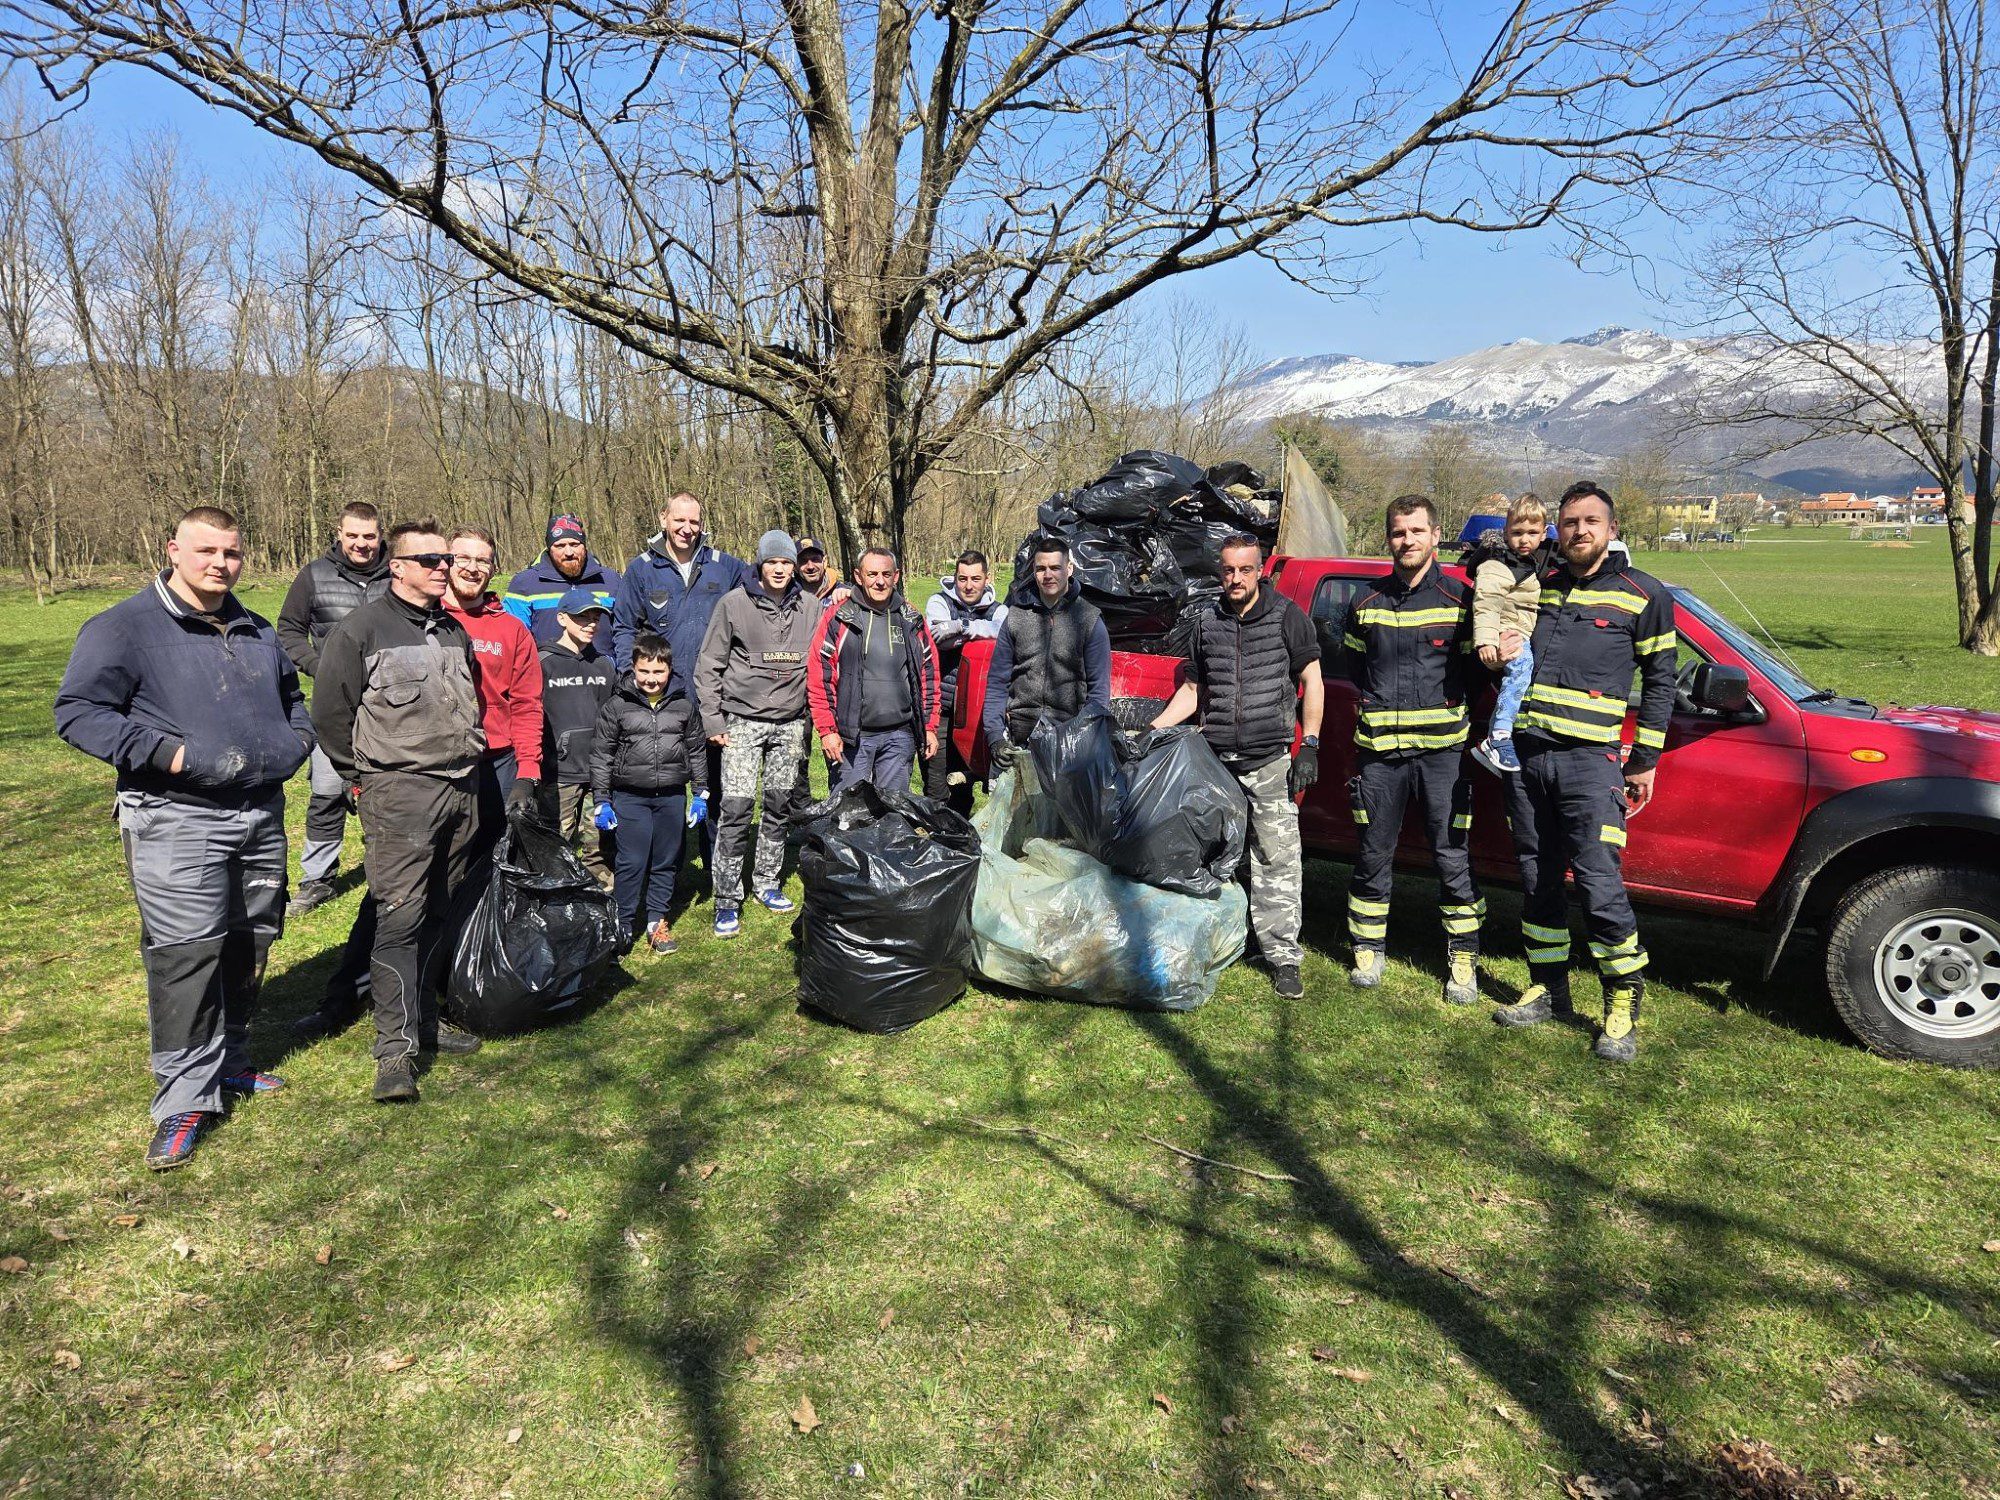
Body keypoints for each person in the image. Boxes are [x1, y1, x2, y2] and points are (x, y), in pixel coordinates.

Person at [55, 506, 314, 1170]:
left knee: (251, 940)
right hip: (176, 818)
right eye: (206, 551)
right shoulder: (124, 628)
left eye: (232, 552)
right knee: (186, 955)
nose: (221, 564)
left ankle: (230, 1062)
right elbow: (78, 712)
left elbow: (292, 701)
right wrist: (169, 755)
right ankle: (183, 1099)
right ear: (173, 550)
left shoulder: (255, 628)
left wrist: (296, 743)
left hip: (259, 813)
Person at [1492, 481, 1677, 1062]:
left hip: (1590, 764)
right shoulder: (1541, 585)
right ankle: (1548, 987)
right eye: (1570, 522)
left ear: (1611, 529)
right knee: (1536, 878)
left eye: (1590, 521)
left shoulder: (1643, 594)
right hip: (1528, 759)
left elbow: (1661, 682)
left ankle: (1621, 1001)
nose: (1579, 531)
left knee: (1598, 883)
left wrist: (1644, 760)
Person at [312, 517, 487, 1104]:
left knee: (439, 909)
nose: (445, 568)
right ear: (399, 567)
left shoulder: (453, 629)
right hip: (399, 794)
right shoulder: (360, 631)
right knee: (400, 917)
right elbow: (330, 714)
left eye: (446, 559)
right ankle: (395, 1052)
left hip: (461, 789)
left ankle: (426, 1021)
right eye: (432, 560)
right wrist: (361, 779)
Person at [1151, 534, 1323, 999]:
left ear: (1260, 571)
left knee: (1276, 860)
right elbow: (1193, 691)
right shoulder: (1207, 623)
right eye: (1228, 570)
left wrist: (1309, 743)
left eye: (1245, 570)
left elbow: (1312, 680)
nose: (1236, 578)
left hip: (1269, 763)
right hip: (1216, 765)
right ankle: (1214, 941)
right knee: (1207, 857)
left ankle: (1282, 957)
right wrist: (1153, 729)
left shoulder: (1288, 616)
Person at [1338, 495, 1485, 1005]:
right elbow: (1356, 668)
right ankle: (1367, 947)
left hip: (1443, 756)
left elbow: (1476, 675)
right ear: (1389, 538)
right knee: (1373, 854)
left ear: (1436, 535)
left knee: (1451, 856)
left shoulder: (1460, 600)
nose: (1408, 541)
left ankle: (1463, 957)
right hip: (1380, 755)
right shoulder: (1365, 603)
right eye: (1399, 532)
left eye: (1417, 531)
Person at [695, 530, 815, 938]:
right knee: (736, 810)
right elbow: (709, 665)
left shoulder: (810, 606)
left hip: (791, 723)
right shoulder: (733, 604)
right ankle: (727, 899)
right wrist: (713, 720)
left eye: (786, 563)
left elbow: (822, 661)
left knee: (779, 806)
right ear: (760, 564)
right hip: (742, 722)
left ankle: (767, 882)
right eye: (772, 562)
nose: (779, 570)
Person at [275, 500, 388, 915]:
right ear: (339, 534)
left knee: (389, 792)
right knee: (326, 793)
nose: (361, 543)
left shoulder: (398, 573)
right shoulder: (314, 575)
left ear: (381, 535)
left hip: (389, 705)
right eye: (352, 535)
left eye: (369, 536)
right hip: (333, 705)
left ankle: (388, 871)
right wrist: (319, 667)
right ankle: (317, 879)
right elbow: (288, 629)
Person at [591, 631, 708, 954]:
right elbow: (602, 754)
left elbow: (696, 750)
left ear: (670, 669)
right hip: (630, 797)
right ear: (633, 668)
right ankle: (623, 924)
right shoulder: (617, 706)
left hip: (672, 795)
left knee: (666, 860)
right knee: (632, 861)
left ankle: (657, 921)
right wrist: (602, 800)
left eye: (658, 671)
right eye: (644, 671)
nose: (651, 679)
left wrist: (700, 792)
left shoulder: (683, 705)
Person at [443, 525, 545, 863]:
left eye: (483, 561)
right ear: (446, 561)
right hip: (436, 765)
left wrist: (527, 771)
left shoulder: (511, 630)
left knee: (495, 859)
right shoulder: (424, 619)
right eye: (463, 558)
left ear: (493, 568)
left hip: (497, 761)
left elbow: (527, 704)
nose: (472, 568)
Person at [806, 546, 942, 794]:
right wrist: (827, 731)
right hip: (851, 739)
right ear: (859, 577)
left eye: (886, 574)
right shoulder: (839, 617)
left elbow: (929, 676)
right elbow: (820, 678)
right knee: (849, 812)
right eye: (872, 574)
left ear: (896, 576)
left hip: (899, 737)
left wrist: (929, 727)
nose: (880, 581)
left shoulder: (911, 618)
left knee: (892, 811)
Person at [981, 535, 1110, 771]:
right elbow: (997, 683)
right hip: (1017, 739)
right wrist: (995, 737)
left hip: (1069, 742)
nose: (1048, 575)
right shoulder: (1016, 617)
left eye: (1055, 568)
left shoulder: (1089, 620)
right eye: (1041, 568)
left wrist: (1080, 740)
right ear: (1033, 571)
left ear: (1069, 569)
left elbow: (1099, 692)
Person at [538, 587, 617, 888]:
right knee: (558, 844)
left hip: (599, 773)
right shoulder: (543, 662)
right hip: (559, 773)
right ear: (562, 618)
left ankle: (602, 896)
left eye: (595, 618)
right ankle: (556, 900)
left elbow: (613, 717)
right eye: (582, 617)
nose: (590, 624)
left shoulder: (604, 664)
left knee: (599, 846)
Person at [1469, 494, 1551, 775]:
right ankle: (1500, 734)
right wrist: (1487, 641)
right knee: (1522, 668)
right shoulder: (1499, 564)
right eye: (1517, 533)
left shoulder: (1528, 561)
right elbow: (1487, 603)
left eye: (1532, 533)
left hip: (1516, 628)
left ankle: (1497, 738)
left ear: (1544, 533)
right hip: (1506, 631)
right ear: (1505, 532)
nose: (1524, 540)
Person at [923, 550, 1008, 811]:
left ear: (987, 579)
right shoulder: (939, 602)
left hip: (976, 710)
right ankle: (936, 829)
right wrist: (983, 633)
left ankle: (960, 829)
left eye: (975, 579)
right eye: (962, 579)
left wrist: (963, 627)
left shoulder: (999, 610)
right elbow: (939, 638)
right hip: (940, 706)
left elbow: (1003, 634)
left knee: (964, 781)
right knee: (936, 781)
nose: (968, 586)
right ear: (955, 578)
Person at [502, 512, 620, 646]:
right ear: (549, 548)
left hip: (603, 659)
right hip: (545, 659)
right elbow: (515, 639)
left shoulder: (611, 580)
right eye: (560, 546)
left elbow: (625, 630)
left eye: (574, 544)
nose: (569, 553)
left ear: (584, 546)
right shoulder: (524, 584)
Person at [795, 537, 840, 605]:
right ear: (795, 567)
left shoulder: (842, 593)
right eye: (803, 561)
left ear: (825, 561)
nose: (810, 567)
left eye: (815, 559)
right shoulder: (787, 597)